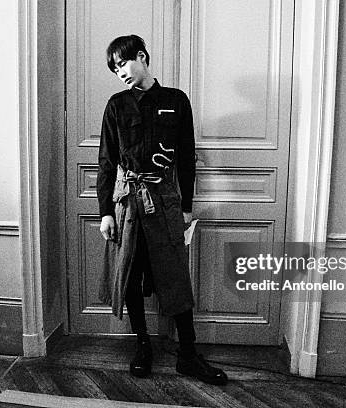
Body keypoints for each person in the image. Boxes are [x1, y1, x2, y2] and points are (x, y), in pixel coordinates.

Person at [97, 35, 228, 386]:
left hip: (166, 199)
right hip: (127, 203)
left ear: (142, 57)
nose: (120, 72)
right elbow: (107, 161)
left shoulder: (175, 100)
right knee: (131, 275)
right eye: (114, 68)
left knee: (174, 276)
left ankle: (188, 354)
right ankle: (143, 346)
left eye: (122, 63)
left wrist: (186, 207)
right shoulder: (116, 105)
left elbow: (186, 158)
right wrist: (105, 212)